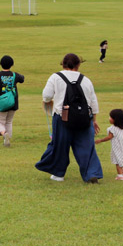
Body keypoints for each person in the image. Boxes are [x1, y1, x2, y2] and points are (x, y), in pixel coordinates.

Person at [35, 52, 103, 183]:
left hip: (62, 118)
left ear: (63, 63)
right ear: (78, 64)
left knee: (60, 146)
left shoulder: (55, 77)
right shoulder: (86, 80)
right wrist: (94, 121)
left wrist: (50, 101)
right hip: (84, 118)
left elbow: (47, 96)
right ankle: (91, 173)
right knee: (86, 147)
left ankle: (58, 174)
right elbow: (93, 102)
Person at [95, 108, 123, 180]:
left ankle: (120, 175)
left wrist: (101, 140)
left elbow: (109, 137)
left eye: (110, 117)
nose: (109, 118)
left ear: (115, 119)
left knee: (117, 160)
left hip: (117, 146)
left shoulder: (112, 129)